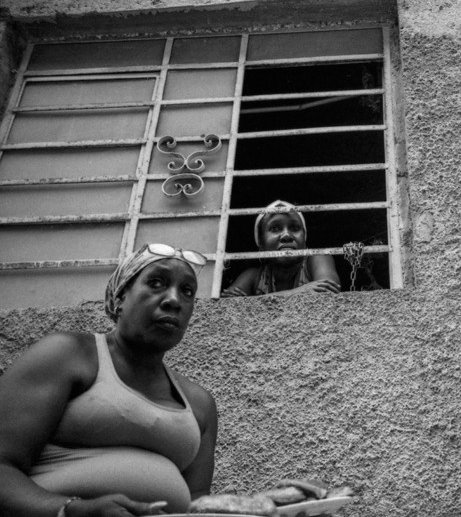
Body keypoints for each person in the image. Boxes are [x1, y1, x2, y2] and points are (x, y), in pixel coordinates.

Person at [0, 243, 218, 516]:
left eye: (187, 291)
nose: (174, 300)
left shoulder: (200, 404)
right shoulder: (67, 355)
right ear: (119, 299)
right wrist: (74, 511)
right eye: (156, 283)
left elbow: (198, 506)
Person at [222, 199, 341, 297]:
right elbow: (227, 305)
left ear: (304, 240)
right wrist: (298, 292)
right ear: (261, 244)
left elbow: (328, 293)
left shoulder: (318, 258)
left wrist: (254, 301)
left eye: (294, 228)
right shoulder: (253, 276)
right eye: (275, 229)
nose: (286, 235)